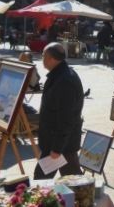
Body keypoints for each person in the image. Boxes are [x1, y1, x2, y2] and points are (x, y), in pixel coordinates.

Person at [34, 42, 84, 179]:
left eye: (43, 56)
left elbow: (66, 118)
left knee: (41, 181)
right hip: (59, 143)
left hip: (60, 145)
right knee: (73, 180)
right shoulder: (59, 75)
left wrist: (57, 149)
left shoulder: (65, 80)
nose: (42, 59)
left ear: (51, 59)